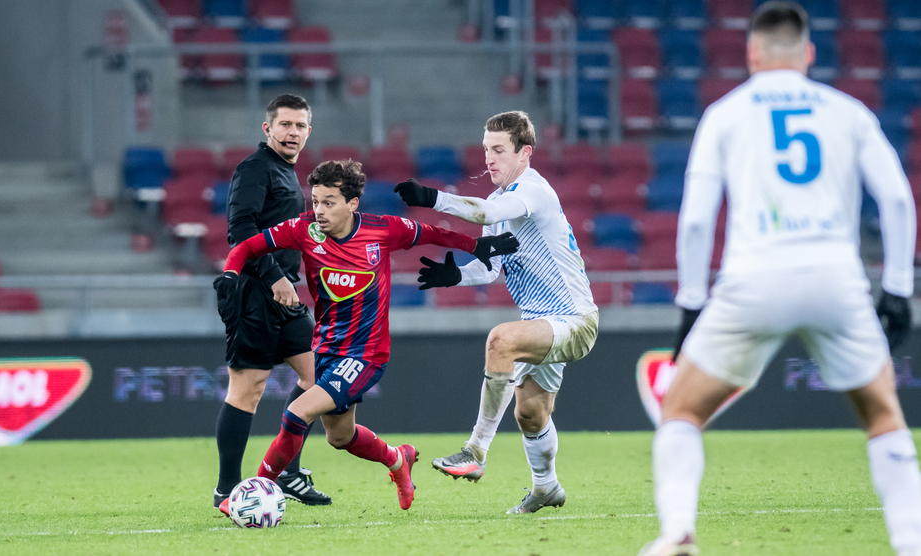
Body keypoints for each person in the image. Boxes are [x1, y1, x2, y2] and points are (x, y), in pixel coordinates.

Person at [639, 3, 920, 555]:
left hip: (754, 280)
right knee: (883, 413)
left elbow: (695, 221)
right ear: (809, 53)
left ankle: (678, 532)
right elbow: (896, 199)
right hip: (835, 279)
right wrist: (898, 289)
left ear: (752, 53)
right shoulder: (848, 112)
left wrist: (692, 303)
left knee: (682, 411)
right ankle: (911, 542)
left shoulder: (725, 113)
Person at [215, 159, 519, 512]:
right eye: (316, 201)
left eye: (329, 202)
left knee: (297, 414)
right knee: (340, 436)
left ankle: (255, 493)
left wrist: (475, 246)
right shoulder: (304, 229)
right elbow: (248, 246)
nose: (319, 210)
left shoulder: (382, 229)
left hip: (366, 354)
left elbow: (432, 233)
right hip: (327, 348)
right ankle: (397, 459)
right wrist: (231, 273)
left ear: (352, 203)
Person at [393, 110, 600, 514]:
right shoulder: (497, 201)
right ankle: (546, 488)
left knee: (501, 341)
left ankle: (476, 451)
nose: (489, 158)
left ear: (525, 152)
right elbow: (491, 268)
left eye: (499, 149)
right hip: (541, 322)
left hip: (574, 319)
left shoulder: (533, 191)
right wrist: (456, 275)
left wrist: (434, 198)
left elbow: (485, 216)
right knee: (531, 413)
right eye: (486, 149)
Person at [213, 94, 331, 511]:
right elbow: (240, 230)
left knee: (320, 377)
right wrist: (274, 275)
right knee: (248, 389)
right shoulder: (254, 169)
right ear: (268, 128)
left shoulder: (286, 172)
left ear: (308, 132)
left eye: (300, 126)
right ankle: (226, 490)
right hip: (253, 291)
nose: (292, 132)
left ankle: (287, 472)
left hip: (285, 293)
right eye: (285, 124)